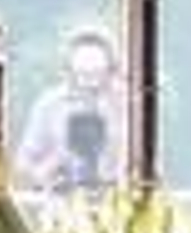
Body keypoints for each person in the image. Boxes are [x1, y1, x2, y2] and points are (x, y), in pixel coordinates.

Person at [13, 26, 126, 197]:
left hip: (117, 198)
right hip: (62, 198)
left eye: (97, 74)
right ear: (69, 71)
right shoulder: (50, 105)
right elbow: (23, 166)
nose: (90, 84)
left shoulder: (126, 105)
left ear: (110, 71)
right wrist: (46, 171)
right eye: (83, 75)